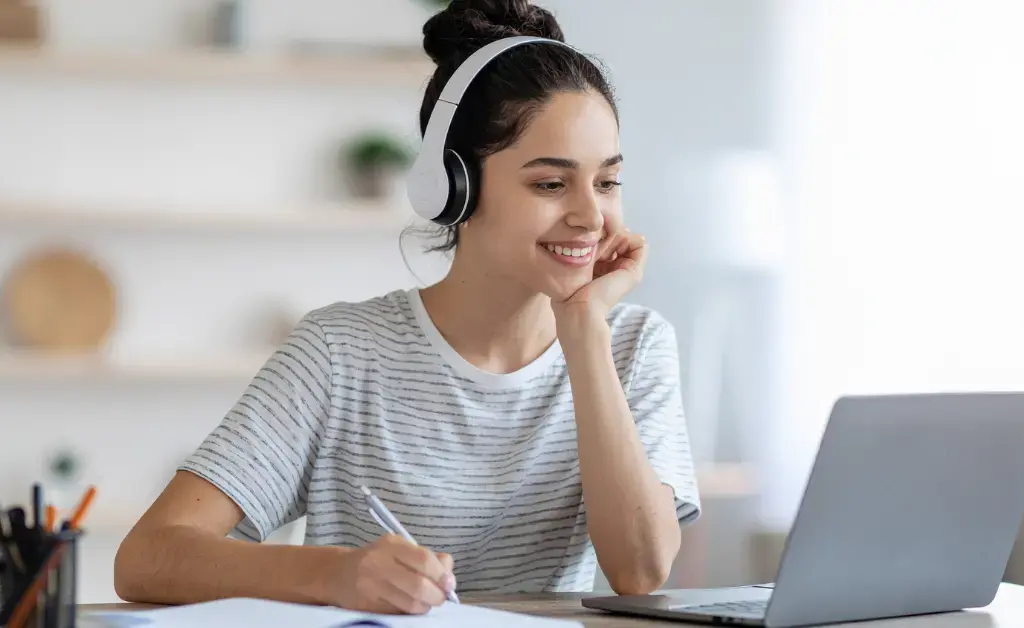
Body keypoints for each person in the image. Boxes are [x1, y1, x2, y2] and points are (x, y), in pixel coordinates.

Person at [113, 0, 701, 615]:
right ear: (453, 188)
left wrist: (583, 332)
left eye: (606, 182)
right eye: (550, 184)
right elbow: (147, 557)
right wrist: (336, 576)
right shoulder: (339, 352)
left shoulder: (632, 344)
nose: (590, 216)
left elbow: (639, 570)